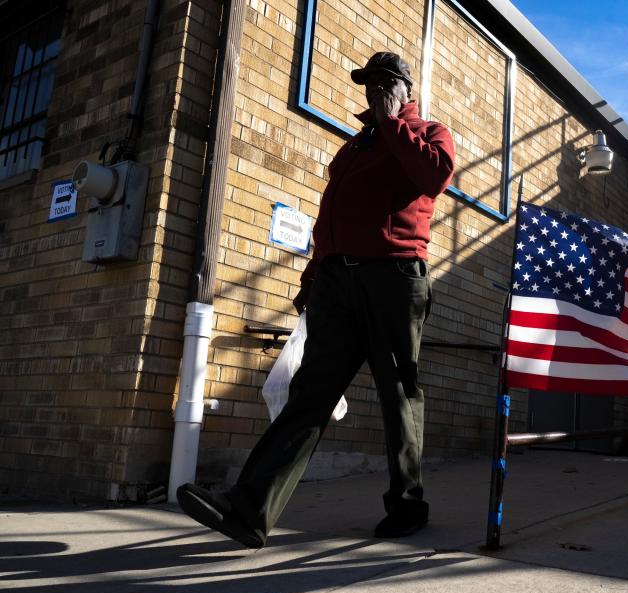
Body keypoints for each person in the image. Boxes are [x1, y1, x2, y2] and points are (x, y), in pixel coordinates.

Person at [176, 52, 455, 549]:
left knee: (398, 394)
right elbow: (331, 218)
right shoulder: (353, 150)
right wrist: (313, 275)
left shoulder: (428, 132)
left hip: (393, 279)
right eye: (368, 83)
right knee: (309, 395)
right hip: (337, 283)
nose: (373, 90)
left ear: (404, 90)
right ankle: (249, 510)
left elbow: (433, 176)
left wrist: (393, 123)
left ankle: (408, 506)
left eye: (383, 83)